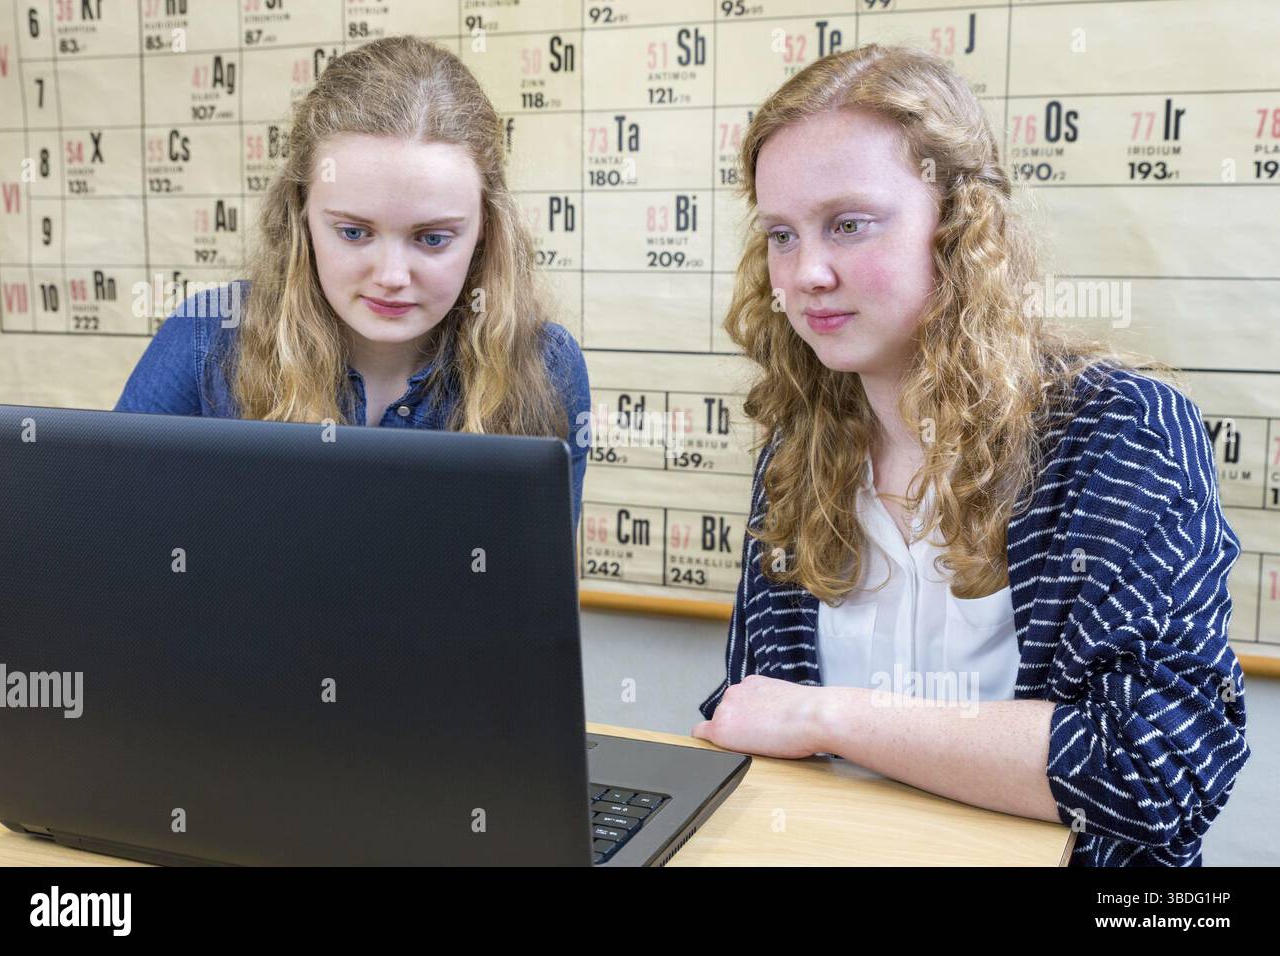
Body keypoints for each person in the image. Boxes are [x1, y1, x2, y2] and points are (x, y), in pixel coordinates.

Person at [692, 44, 1249, 866]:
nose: (805, 272)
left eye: (849, 224)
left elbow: (1154, 769)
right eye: (781, 234)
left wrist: (828, 716)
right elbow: (751, 713)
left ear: (957, 227)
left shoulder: (1121, 431)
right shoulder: (798, 443)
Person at [116, 35, 590, 529]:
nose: (390, 277)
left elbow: (533, 592)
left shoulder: (545, 364)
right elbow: (110, 536)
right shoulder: (206, 340)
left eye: (432, 239)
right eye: (354, 232)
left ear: (484, 230)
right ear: (301, 216)